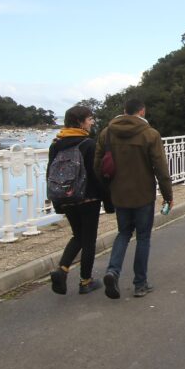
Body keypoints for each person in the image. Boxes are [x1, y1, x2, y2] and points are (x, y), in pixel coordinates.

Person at [95, 99, 173, 299]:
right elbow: (161, 169)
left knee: (123, 233)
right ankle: (140, 284)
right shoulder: (150, 134)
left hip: (119, 195)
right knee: (143, 237)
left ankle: (113, 271)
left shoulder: (107, 133)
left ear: (124, 112)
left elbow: (98, 166)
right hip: (143, 194)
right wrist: (167, 196)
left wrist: (109, 189)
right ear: (142, 111)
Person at [47, 105, 112, 295]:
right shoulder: (88, 144)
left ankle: (62, 269)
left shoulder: (55, 144)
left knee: (78, 236)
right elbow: (96, 175)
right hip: (87, 198)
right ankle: (85, 281)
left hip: (65, 197)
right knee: (89, 240)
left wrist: (57, 202)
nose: (92, 122)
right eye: (90, 119)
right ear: (80, 122)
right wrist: (107, 201)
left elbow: (49, 173)